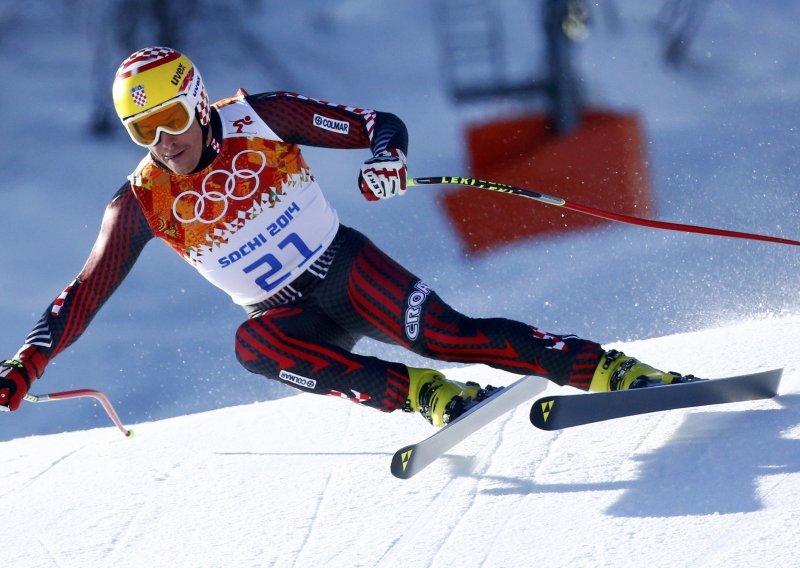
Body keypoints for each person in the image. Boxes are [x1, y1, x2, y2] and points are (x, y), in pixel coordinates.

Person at [0, 47, 694, 429]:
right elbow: (82, 295)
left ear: (199, 100)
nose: (165, 143)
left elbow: (377, 124)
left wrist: (385, 160)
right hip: (286, 319)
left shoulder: (260, 117)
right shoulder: (140, 202)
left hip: (345, 270)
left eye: (173, 118)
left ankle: (609, 370)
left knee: (451, 334)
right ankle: (423, 396)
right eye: (142, 132)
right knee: (252, 348)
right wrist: (25, 365)